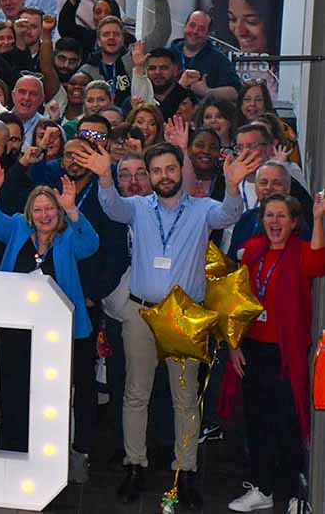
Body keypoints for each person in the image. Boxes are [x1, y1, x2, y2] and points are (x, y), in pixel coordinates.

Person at [75, 141, 260, 509]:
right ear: (149, 175)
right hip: (142, 313)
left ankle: (185, 470)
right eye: (156, 171)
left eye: (170, 169)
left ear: (181, 172)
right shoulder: (139, 207)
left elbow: (229, 214)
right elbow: (111, 207)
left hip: (182, 316)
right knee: (135, 393)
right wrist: (104, 177)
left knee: (185, 398)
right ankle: (135, 465)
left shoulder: (204, 210)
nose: (163, 177)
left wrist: (235, 185)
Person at [0, 161, 99, 462]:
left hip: (59, 333)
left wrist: (73, 210)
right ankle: (15, 447)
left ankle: (55, 454)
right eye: (38, 209)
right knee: (14, 388)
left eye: (50, 209)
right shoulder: (19, 228)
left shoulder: (68, 235)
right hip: (17, 329)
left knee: (54, 393)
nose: (44, 215)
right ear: (29, 213)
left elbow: (91, 245)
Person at [224, 193, 323, 513]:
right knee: (257, 422)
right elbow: (236, 303)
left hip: (286, 351)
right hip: (253, 349)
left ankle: (295, 494)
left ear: (294, 223)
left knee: (287, 422)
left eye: (282, 216)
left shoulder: (302, 253)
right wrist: (234, 344)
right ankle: (263, 489)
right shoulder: (252, 251)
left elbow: (319, 263)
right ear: (262, 220)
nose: (275, 222)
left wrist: (319, 218)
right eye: (270, 215)